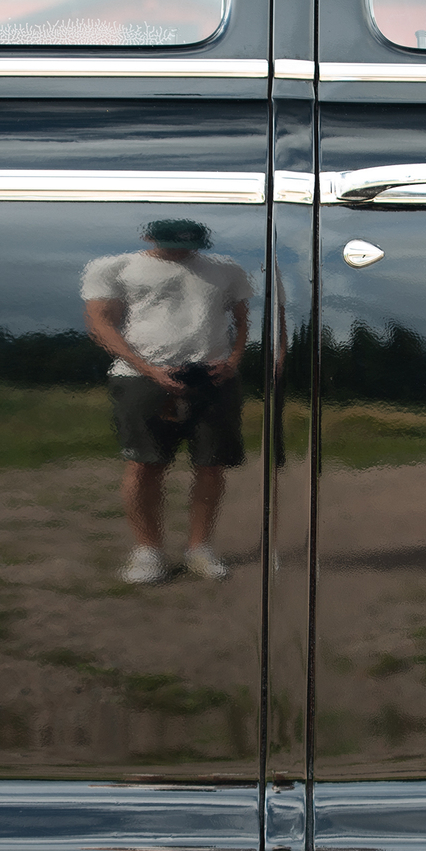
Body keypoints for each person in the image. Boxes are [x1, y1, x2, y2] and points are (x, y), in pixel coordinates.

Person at [82, 219, 251, 584]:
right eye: (171, 243)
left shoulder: (226, 270)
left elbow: (241, 319)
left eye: (188, 244)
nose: (180, 250)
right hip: (141, 377)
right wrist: (147, 368)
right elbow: (100, 323)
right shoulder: (114, 268)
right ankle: (148, 552)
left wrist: (234, 360)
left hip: (211, 377)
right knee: (145, 464)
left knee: (212, 464)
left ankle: (199, 548)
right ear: (148, 237)